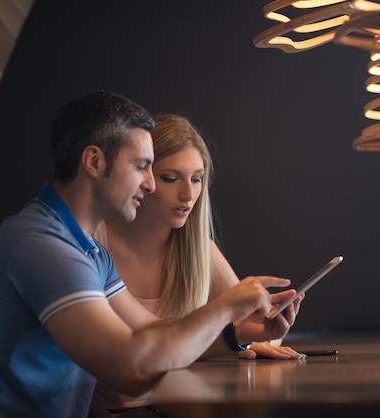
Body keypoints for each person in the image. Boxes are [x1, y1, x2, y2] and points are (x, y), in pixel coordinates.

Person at [0, 91, 301, 418]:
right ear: (94, 162)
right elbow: (130, 368)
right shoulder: (42, 246)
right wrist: (223, 307)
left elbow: (151, 331)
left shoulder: (86, 249)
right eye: (141, 167)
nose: (150, 183)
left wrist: (235, 333)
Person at [89, 114, 304, 417]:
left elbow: (256, 326)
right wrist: (235, 336)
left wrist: (254, 336)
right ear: (142, 176)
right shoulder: (95, 243)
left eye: (197, 178)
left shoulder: (200, 250)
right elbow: (140, 347)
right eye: (170, 178)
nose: (188, 195)